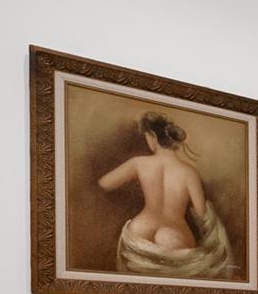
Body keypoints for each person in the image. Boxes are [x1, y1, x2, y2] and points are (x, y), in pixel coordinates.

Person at [98, 111, 235, 278]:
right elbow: (202, 213)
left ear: (153, 136)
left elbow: (104, 183)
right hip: (175, 234)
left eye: (147, 137)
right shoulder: (189, 172)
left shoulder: (139, 163)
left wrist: (137, 186)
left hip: (140, 229)